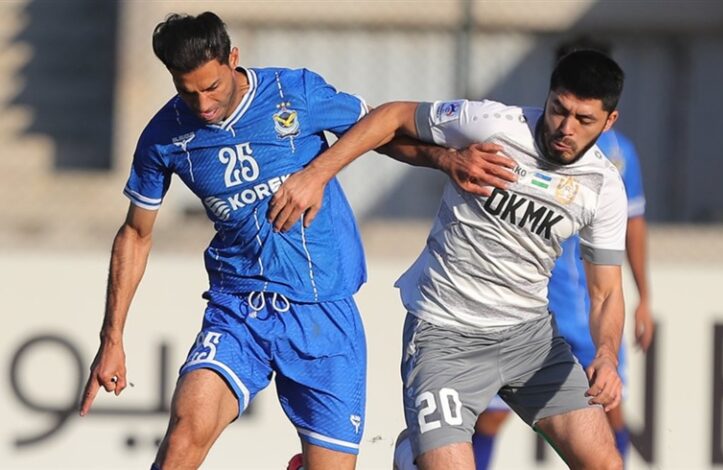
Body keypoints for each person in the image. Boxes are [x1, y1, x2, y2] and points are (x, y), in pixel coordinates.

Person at [77, 11, 516, 470]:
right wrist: (112, 336)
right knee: (184, 436)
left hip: (322, 310)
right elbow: (134, 233)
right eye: (188, 93)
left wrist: (446, 160)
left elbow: (379, 132)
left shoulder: (294, 93)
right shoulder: (163, 137)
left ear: (233, 59)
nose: (203, 105)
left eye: (212, 88)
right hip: (239, 307)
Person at [270, 50, 628, 469]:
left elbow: (605, 294)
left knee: (606, 465)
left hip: (531, 342)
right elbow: (391, 117)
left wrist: (606, 353)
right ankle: (412, 455)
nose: (565, 128)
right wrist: (318, 174)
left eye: (583, 120)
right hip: (444, 337)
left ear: (609, 121)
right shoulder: (492, 124)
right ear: (547, 98)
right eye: (558, 110)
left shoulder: (603, 188)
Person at [471, 38, 654, 469]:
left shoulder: (617, 157)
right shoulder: (523, 140)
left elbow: (635, 224)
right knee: (491, 418)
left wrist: (645, 296)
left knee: (609, 409)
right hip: (529, 303)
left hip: (584, 303)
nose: (569, 122)